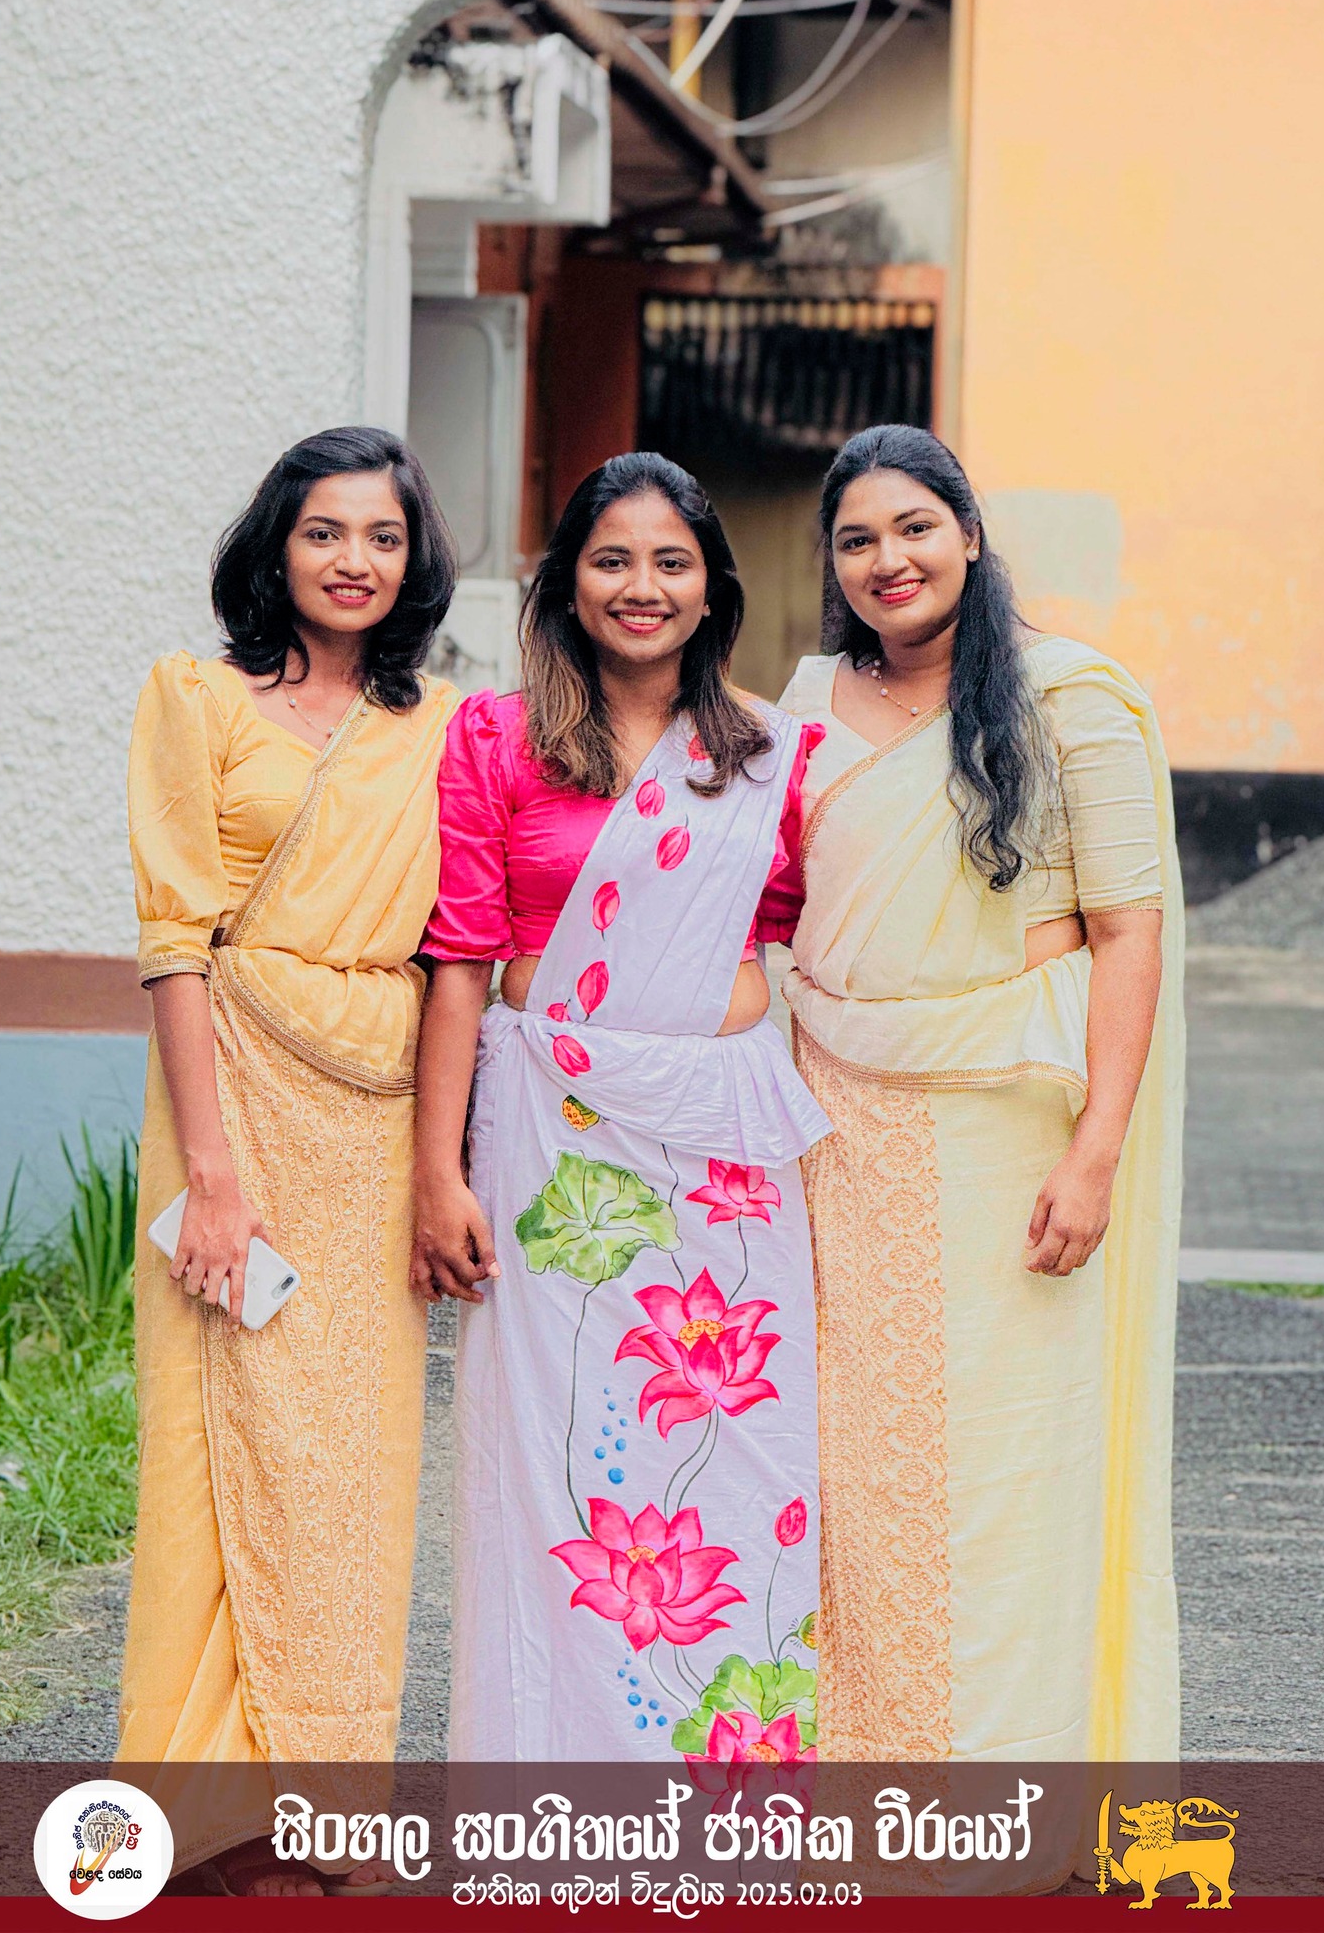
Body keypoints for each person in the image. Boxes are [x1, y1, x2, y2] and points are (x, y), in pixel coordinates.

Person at [413, 453, 828, 1763]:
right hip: (550, 1149)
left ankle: (721, 1813)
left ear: (711, 589)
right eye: (611, 560)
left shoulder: (775, 755)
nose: (640, 587)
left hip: (724, 1158)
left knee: (734, 1462)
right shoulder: (494, 738)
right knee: (560, 1463)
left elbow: (805, 931)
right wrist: (438, 1173)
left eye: (670, 562)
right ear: (567, 583)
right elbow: (461, 960)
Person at [780, 424, 1182, 1767]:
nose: (887, 561)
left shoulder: (1073, 699)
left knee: (1003, 1471)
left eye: (913, 527)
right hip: (836, 1129)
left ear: (967, 532)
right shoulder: (804, 706)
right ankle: (865, 1778)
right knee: (858, 1469)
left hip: (1006, 1138)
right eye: (856, 540)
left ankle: (1000, 1792)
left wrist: (1097, 1153)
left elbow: (1127, 933)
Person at [118, 426, 458, 1893]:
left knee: (351, 1468)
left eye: (382, 535)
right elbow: (172, 941)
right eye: (325, 531)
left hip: (374, 1116)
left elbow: (461, 950)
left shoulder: (446, 728)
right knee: (212, 1438)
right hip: (230, 1101)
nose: (353, 560)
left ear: (414, 558)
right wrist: (211, 1173)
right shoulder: (196, 699)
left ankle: (325, 1805)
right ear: (277, 546)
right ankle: (203, 1817)